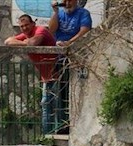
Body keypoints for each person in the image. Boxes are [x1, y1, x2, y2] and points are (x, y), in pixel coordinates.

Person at [5, 14, 58, 134]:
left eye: (26, 25)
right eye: (22, 26)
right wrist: (26, 42)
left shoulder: (41, 30)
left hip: (58, 75)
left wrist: (25, 42)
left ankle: (51, 134)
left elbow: (34, 43)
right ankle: (48, 134)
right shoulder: (27, 35)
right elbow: (8, 41)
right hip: (47, 77)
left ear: (33, 24)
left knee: (53, 105)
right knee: (47, 105)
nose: (24, 28)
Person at [49, 0, 92, 134]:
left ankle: (70, 123)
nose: (67, 3)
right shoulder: (60, 14)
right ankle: (61, 124)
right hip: (59, 59)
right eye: (65, 1)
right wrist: (55, 12)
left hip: (75, 58)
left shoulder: (83, 13)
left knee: (71, 91)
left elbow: (84, 31)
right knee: (60, 92)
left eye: (70, 0)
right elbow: (52, 29)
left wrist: (69, 43)